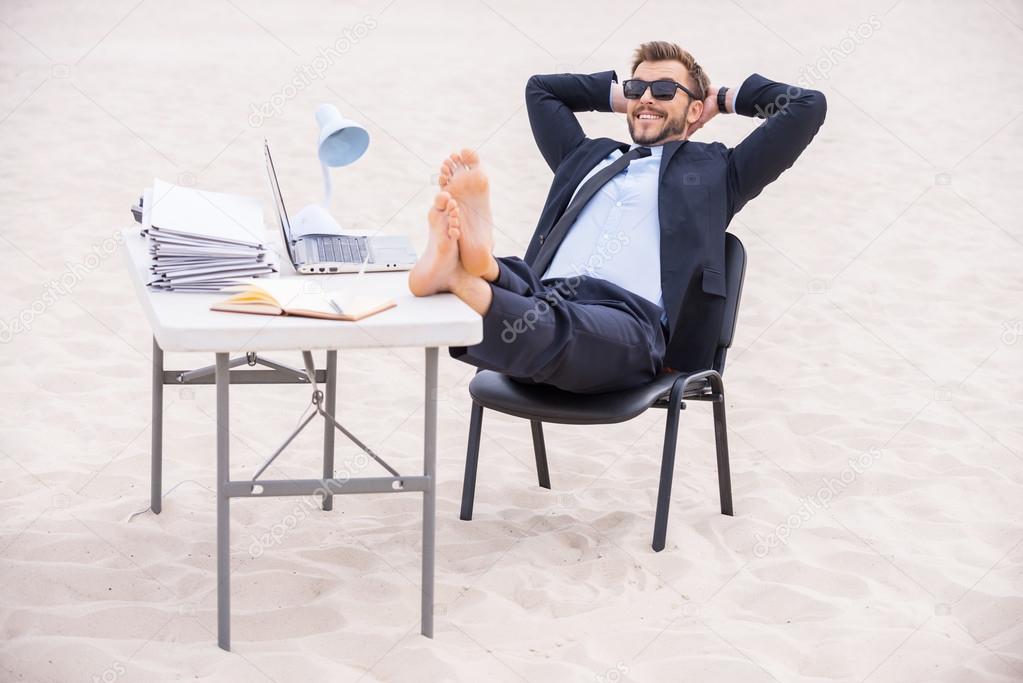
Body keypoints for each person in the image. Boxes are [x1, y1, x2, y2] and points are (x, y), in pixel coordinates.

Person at [409, 40, 826, 393]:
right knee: (532, 295)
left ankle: (467, 277)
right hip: (543, 291)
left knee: (559, 325)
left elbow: (808, 106)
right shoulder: (588, 156)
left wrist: (720, 98)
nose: (646, 98)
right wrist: (639, 100)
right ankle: (484, 268)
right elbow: (541, 91)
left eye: (664, 90)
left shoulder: (720, 172)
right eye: (636, 88)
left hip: (631, 322)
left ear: (695, 111)